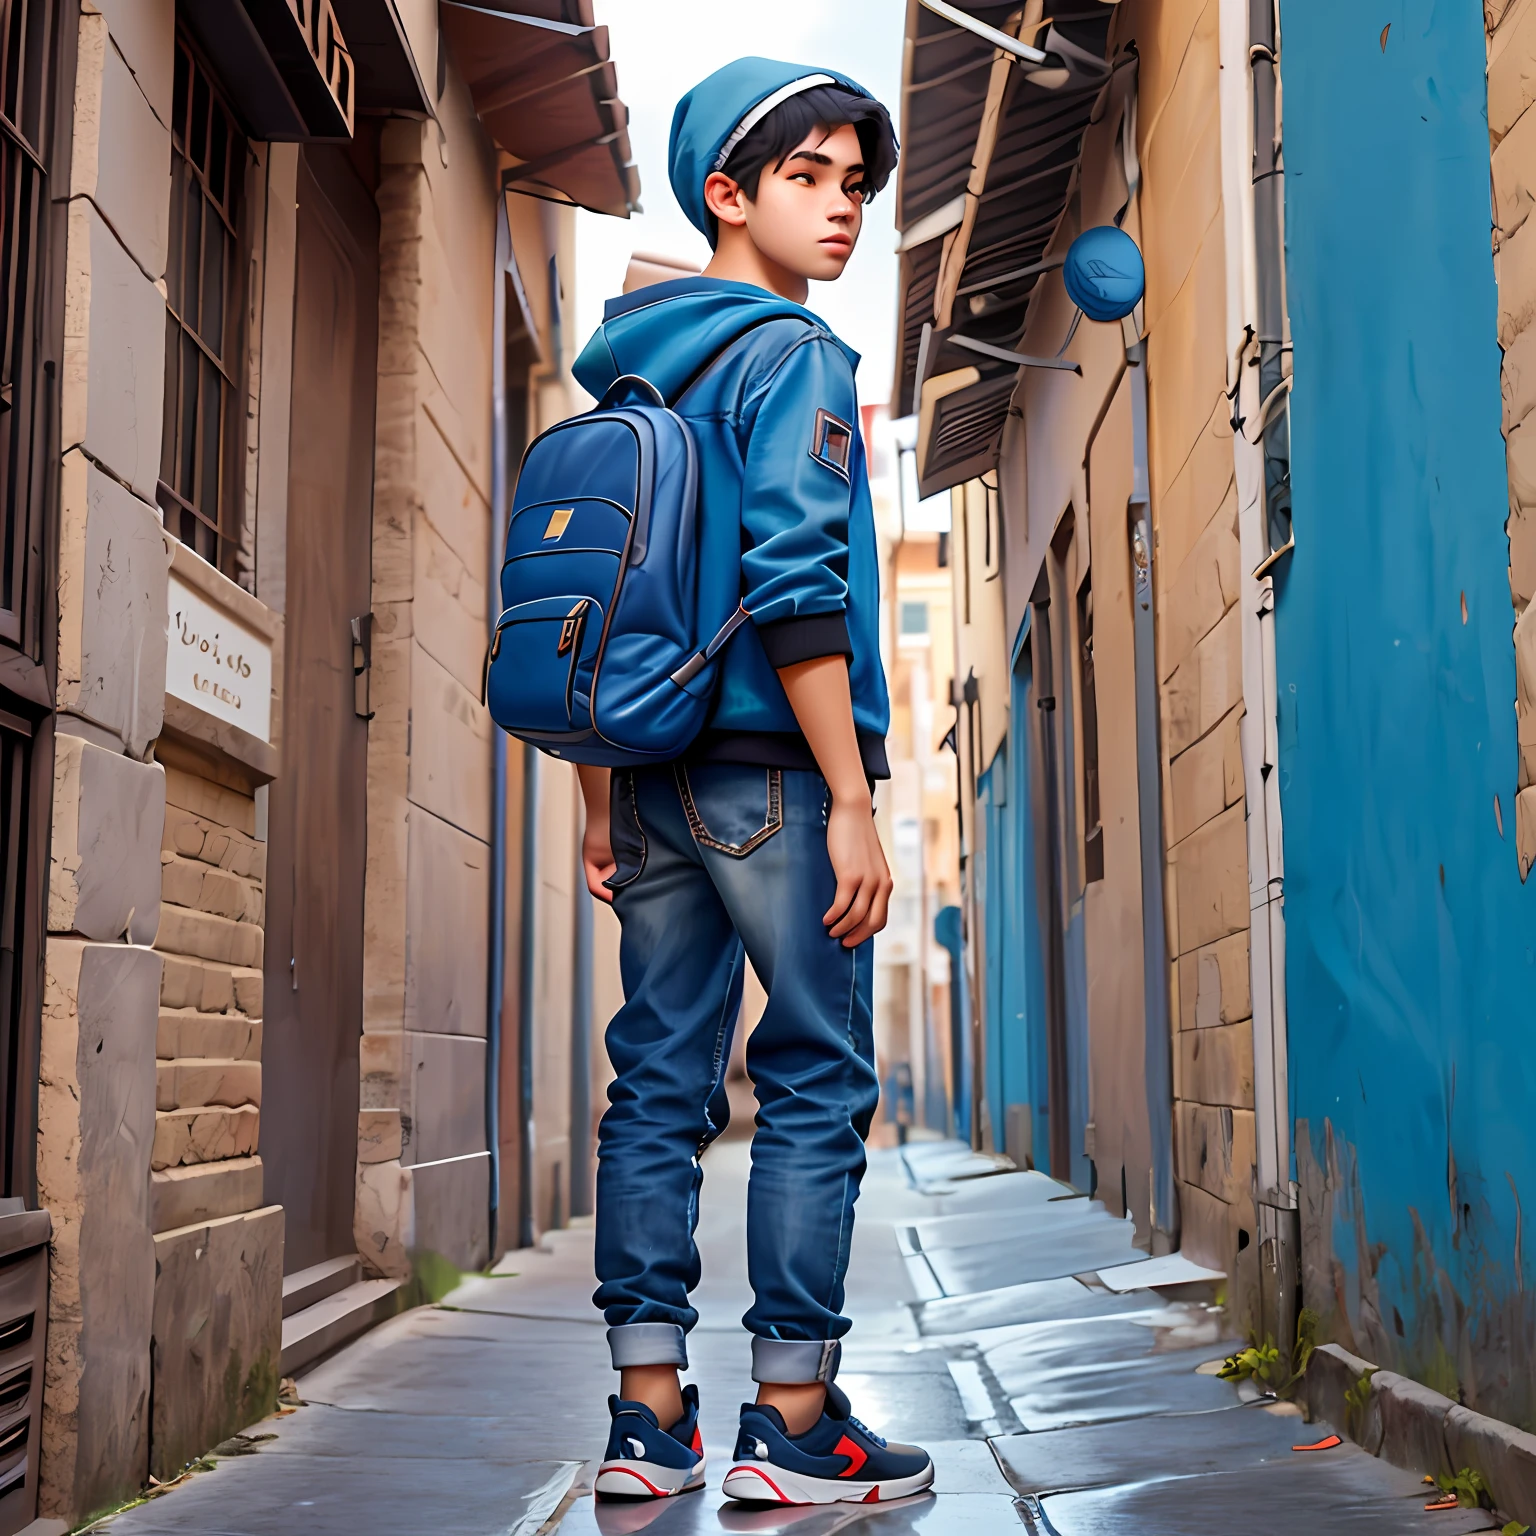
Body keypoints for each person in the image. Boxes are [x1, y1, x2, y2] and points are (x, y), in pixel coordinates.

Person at [570, 58, 934, 1507]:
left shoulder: (637, 365)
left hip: (649, 774)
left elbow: (600, 588)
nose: (842, 210)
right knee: (813, 1075)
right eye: (807, 180)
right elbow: (796, 585)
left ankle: (646, 1419)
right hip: (774, 774)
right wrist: (852, 794)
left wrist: (596, 797)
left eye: (857, 184)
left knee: (655, 1083)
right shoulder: (791, 356)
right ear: (726, 193)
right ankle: (792, 1415)